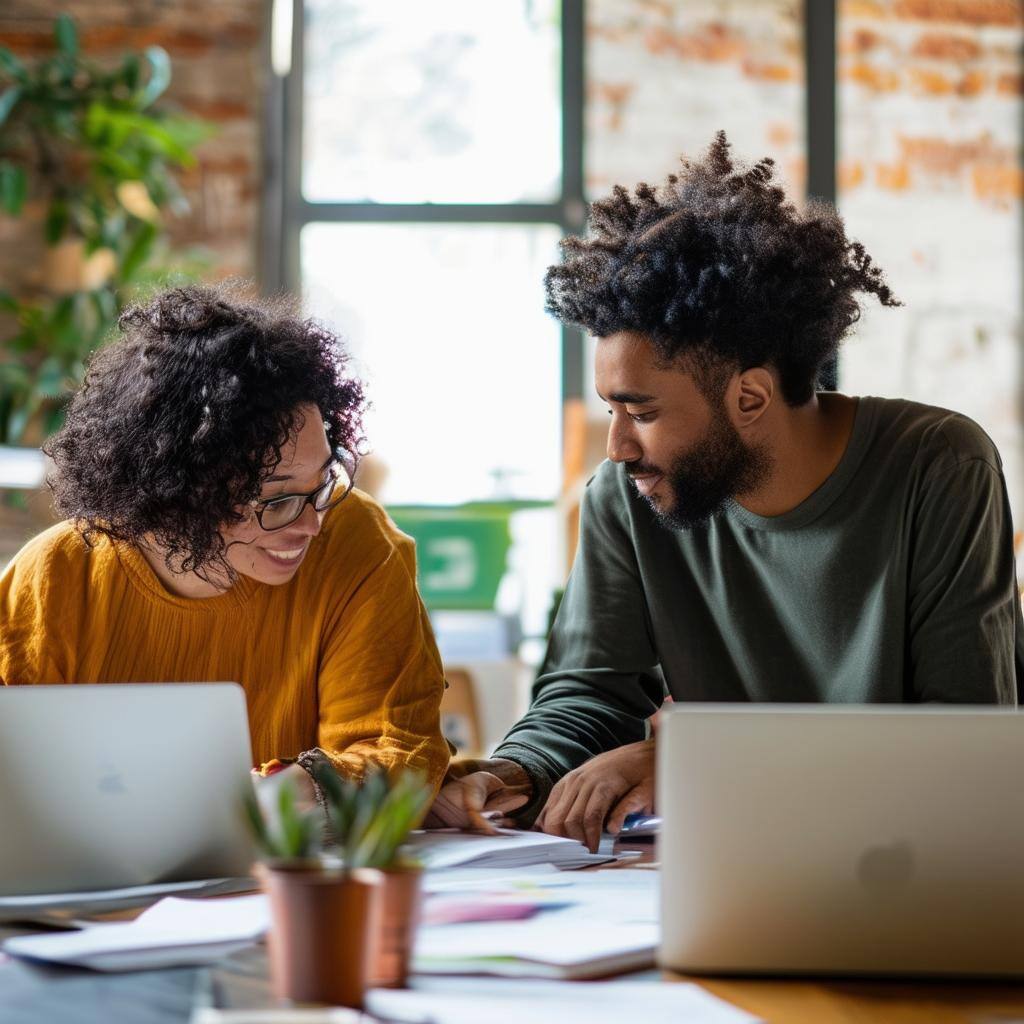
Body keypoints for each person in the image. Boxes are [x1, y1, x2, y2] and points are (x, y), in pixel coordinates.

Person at [428, 132, 1024, 850]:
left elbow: (970, 738)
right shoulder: (627, 498)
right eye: (611, 410)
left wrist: (694, 762)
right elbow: (589, 693)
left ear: (750, 397)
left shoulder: (936, 466)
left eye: (642, 413)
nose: (616, 448)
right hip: (732, 865)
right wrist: (514, 770)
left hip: (909, 861)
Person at [0, 285, 450, 799]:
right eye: (277, 501)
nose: (313, 524)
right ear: (180, 492)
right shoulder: (55, 576)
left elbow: (396, 749)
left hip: (292, 871)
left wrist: (290, 792)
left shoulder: (357, 540)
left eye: (324, 481)